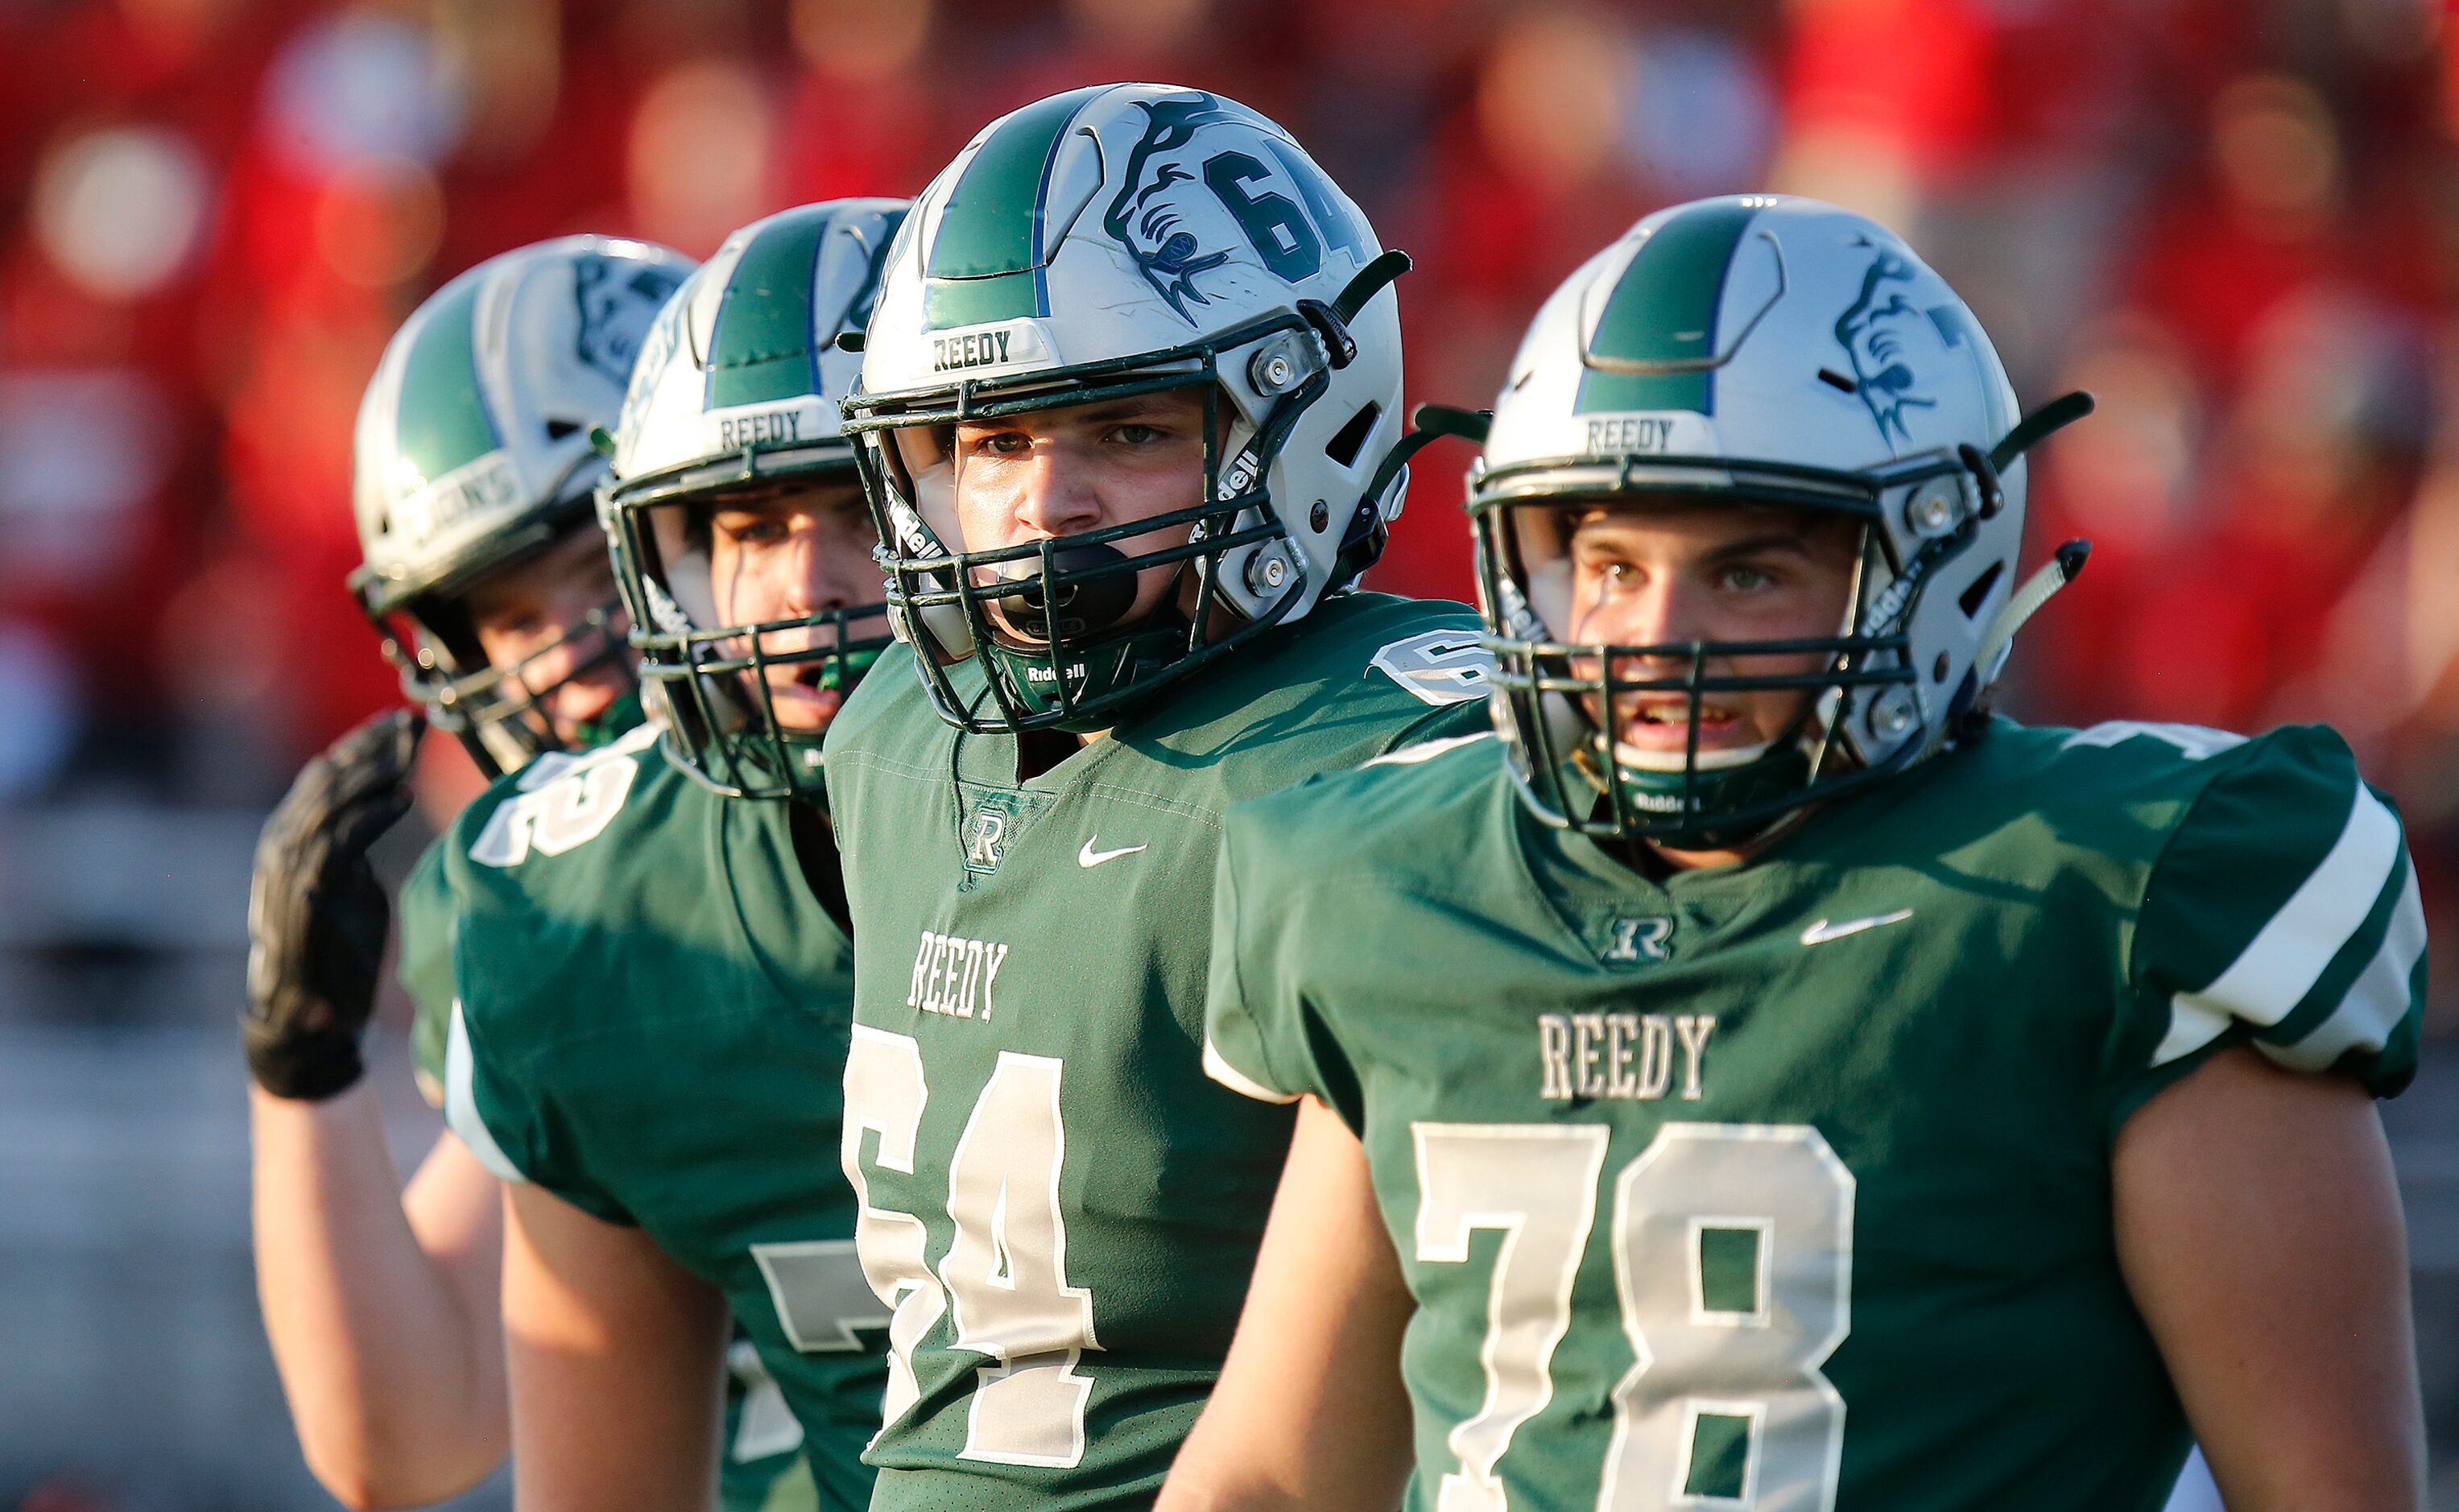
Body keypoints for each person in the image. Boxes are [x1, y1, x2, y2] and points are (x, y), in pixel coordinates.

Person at [1167, 196, 2428, 1511]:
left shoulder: (2109, 891)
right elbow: (1274, 1475)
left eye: (1749, 574)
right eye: (1606, 564)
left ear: (1929, 567)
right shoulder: (1404, 881)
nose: (1655, 636)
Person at [820, 84, 1496, 1509]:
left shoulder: (1400, 756)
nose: (1042, 501)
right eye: (991, 440)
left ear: (1303, 423)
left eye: (1125, 430)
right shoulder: (884, 729)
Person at [241, 234, 759, 1508]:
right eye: (510, 617)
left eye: (599, 579)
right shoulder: (579, 918)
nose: (564, 663)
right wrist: (299, 1061)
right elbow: (407, 1437)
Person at [441, 199, 909, 1512]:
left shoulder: (1237, 809)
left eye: (855, 509)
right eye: (748, 529)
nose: (803, 586)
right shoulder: (583, 903)